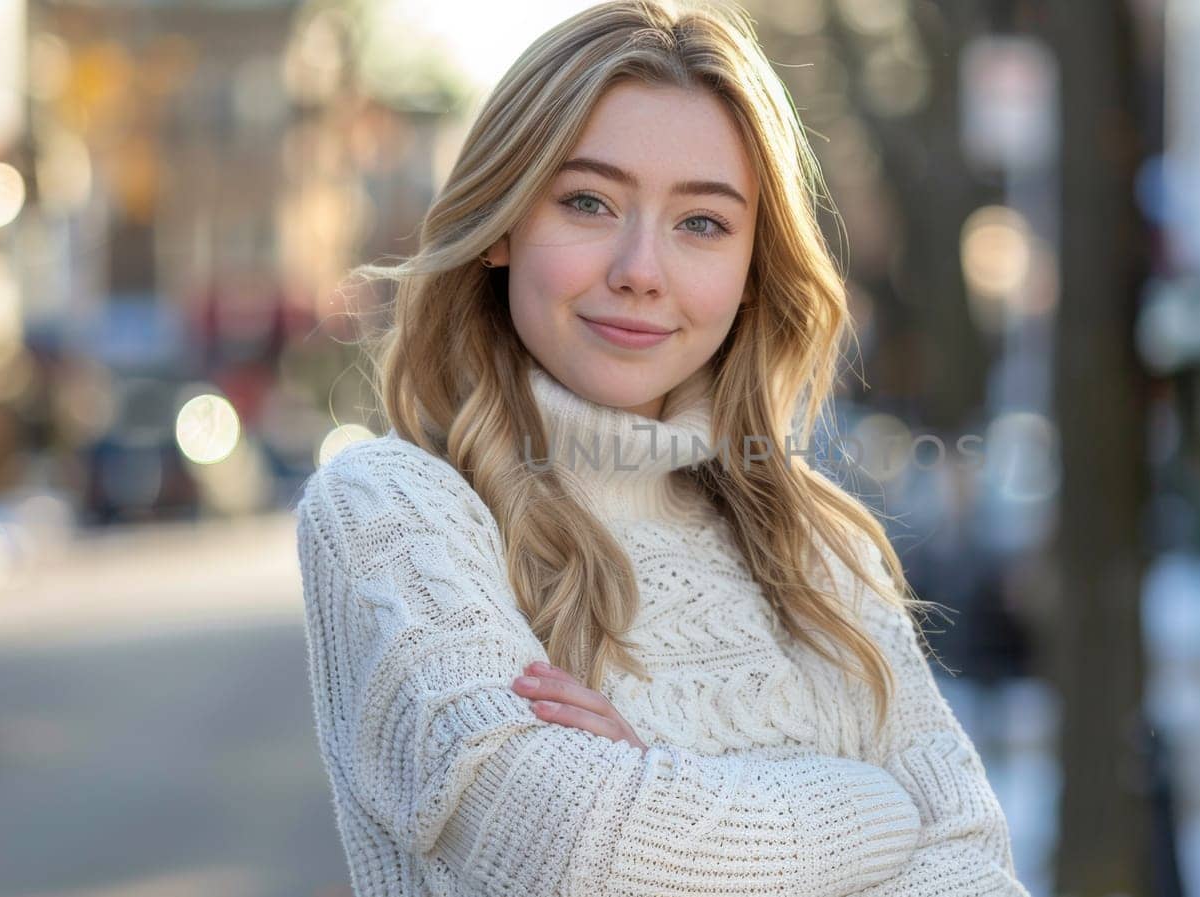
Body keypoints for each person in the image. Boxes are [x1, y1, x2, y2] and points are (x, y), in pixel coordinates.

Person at [293, 2, 1028, 895]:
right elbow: (574, 850)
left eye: (703, 223)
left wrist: (667, 797)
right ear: (501, 223)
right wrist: (875, 809)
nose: (641, 268)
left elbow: (976, 869)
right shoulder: (394, 510)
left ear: (754, 267)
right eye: (589, 202)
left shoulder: (819, 553)